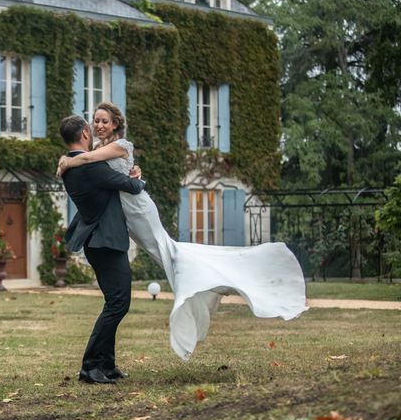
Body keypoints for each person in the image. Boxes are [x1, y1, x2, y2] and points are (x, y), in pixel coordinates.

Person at [58, 102, 308, 361]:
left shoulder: (120, 146)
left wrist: (67, 160)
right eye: (95, 121)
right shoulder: (98, 150)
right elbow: (97, 167)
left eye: (104, 121)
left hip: (138, 208)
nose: (99, 125)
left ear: (115, 125)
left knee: (169, 252)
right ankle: (206, 279)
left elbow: (86, 159)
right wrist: (127, 173)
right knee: (162, 257)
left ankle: (215, 280)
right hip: (123, 213)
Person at [59, 114, 146, 384]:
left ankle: (107, 365)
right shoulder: (92, 168)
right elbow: (131, 186)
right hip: (105, 241)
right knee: (119, 303)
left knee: (114, 302)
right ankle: (91, 365)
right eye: (92, 125)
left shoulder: (69, 167)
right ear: (86, 133)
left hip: (98, 242)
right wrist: (137, 176)